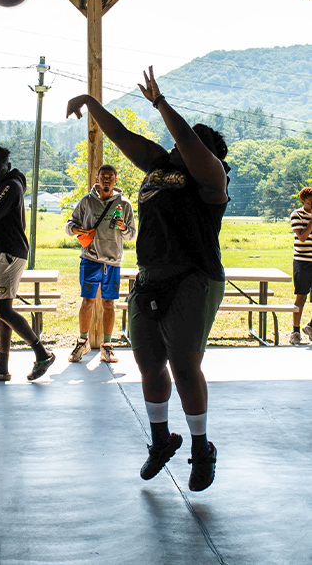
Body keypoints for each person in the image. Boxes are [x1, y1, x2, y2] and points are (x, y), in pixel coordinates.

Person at [66, 66, 229, 493]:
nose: (181, 143)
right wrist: (89, 102)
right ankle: (162, 440)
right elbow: (121, 136)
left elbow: (191, 143)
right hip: (150, 276)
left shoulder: (212, 180)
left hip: (194, 276)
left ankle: (201, 447)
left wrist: (160, 103)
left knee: (184, 364)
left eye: (191, 141)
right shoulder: (158, 165)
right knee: (149, 363)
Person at [0, 145, 55, 383]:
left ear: (7, 166)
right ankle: (1, 367)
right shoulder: (6, 185)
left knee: (4, 310)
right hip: (0, 252)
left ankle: (42, 353)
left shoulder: (10, 186)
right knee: (1, 312)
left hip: (8, 253)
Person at [65, 164, 136, 363]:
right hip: (90, 259)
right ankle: (82, 342)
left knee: (108, 304)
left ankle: (107, 346)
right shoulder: (87, 201)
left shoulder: (125, 204)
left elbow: (131, 235)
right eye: (103, 176)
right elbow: (69, 224)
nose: (106, 180)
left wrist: (123, 227)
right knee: (87, 302)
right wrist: (76, 229)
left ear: (115, 179)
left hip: (112, 261)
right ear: (97, 178)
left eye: (110, 177)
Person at [289, 187, 312, 345]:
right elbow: (302, 237)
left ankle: (310, 326)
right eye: (310, 202)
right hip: (302, 261)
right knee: (301, 297)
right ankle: (295, 332)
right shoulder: (296, 215)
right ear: (303, 201)